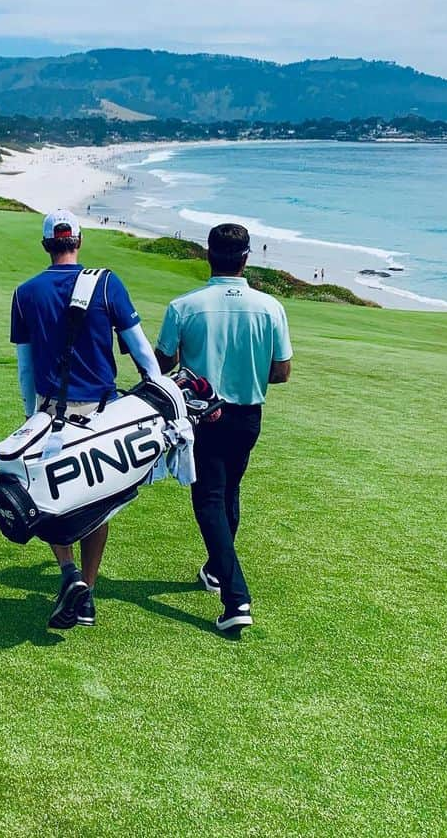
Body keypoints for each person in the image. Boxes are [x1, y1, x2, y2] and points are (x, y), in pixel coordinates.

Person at [11, 209, 160, 630]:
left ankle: (67, 572)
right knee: (97, 503)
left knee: (51, 497)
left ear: (45, 245)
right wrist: (159, 388)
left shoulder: (25, 293)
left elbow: (25, 366)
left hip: (48, 412)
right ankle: (88, 595)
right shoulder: (106, 283)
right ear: (78, 241)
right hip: (102, 411)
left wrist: (30, 415)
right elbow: (140, 350)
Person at [155, 223, 292, 632]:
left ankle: (237, 599)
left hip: (203, 415)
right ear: (247, 257)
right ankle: (216, 571)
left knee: (210, 501)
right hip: (248, 416)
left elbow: (161, 365)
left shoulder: (185, 306)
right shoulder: (271, 307)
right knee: (229, 491)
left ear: (207, 255)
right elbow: (282, 372)